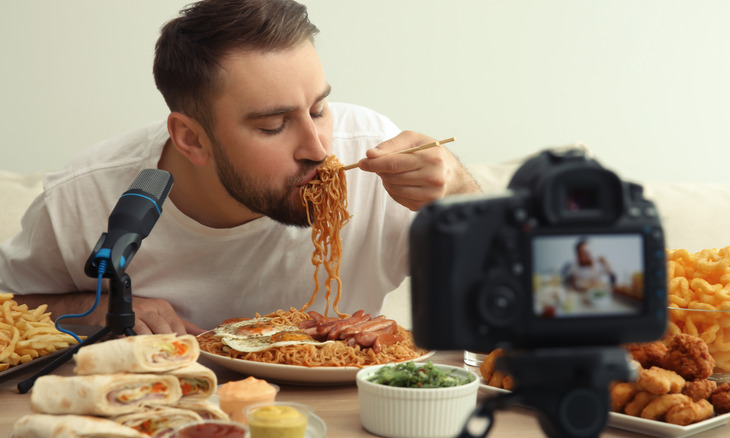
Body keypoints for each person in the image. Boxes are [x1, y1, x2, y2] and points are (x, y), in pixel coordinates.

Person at [0, 0, 479, 336]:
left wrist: (460, 193)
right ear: (191, 138)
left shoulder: (375, 159)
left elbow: (529, 291)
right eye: (273, 125)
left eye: (318, 110)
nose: (317, 148)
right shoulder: (87, 195)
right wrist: (97, 308)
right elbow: (7, 309)